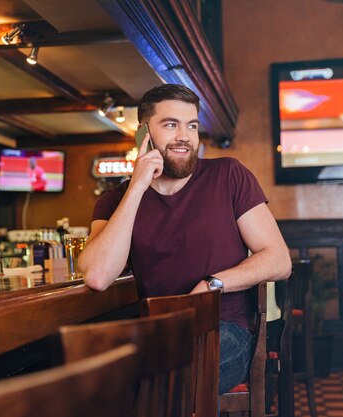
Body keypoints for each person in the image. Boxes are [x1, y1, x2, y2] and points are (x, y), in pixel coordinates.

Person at [79, 83, 291, 394]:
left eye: (191, 125)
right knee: (96, 383)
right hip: (159, 332)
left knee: (162, 381)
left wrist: (212, 284)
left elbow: (278, 259)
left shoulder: (228, 175)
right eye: (170, 124)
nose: (184, 136)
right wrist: (136, 187)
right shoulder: (117, 200)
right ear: (144, 134)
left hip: (226, 330)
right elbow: (97, 276)